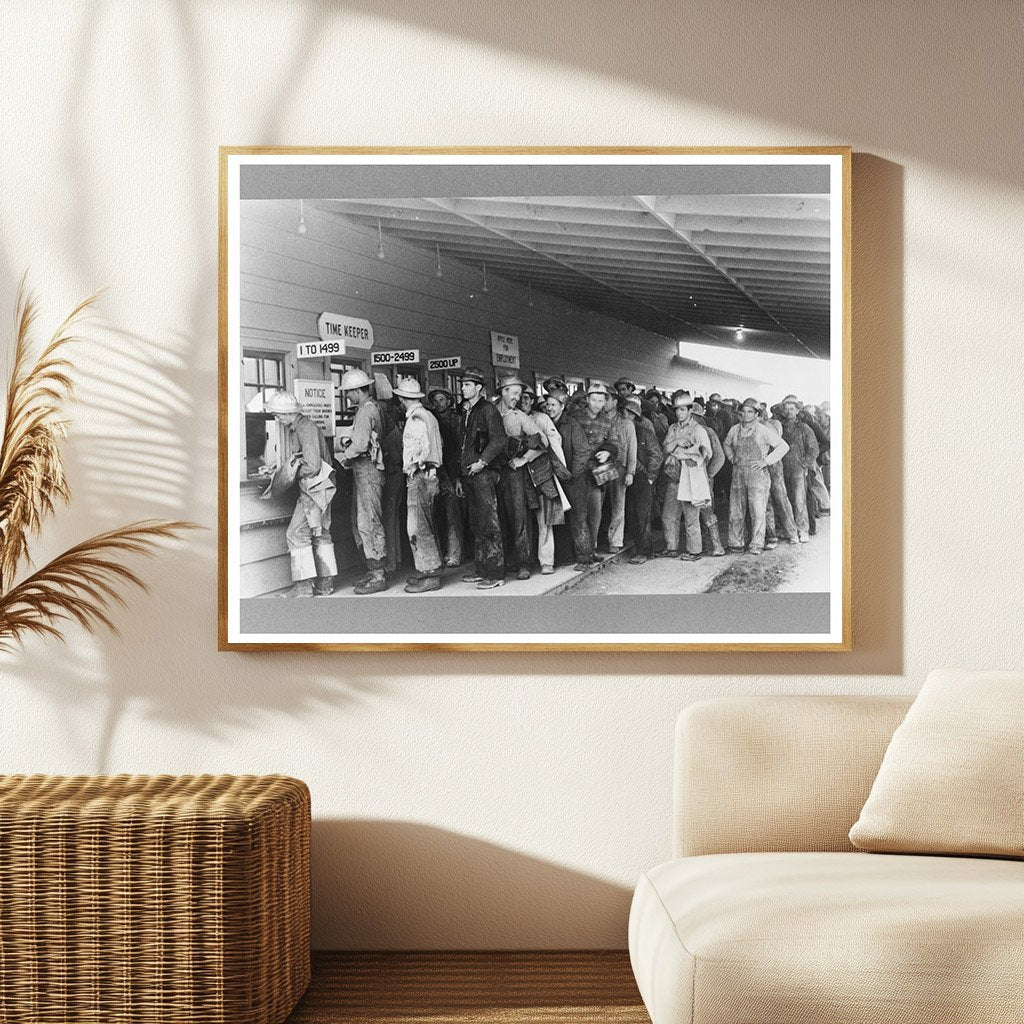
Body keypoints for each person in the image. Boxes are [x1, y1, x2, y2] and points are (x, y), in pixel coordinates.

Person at [266, 390, 337, 597]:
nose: (276, 419)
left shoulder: (305, 428)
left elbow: (313, 466)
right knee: (321, 533)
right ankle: (325, 584)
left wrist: (289, 472)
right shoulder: (302, 427)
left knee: (295, 534)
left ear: (287, 413)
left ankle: (304, 587)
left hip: (314, 489)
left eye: (278, 415)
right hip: (321, 489)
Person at [336, 369, 388, 595]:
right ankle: (373, 567)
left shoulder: (366, 412)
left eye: (349, 392)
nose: (347, 396)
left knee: (370, 521)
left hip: (367, 469)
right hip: (365, 469)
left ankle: (379, 575)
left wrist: (343, 452)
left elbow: (360, 445)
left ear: (359, 390)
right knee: (364, 521)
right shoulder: (372, 408)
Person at [458, 367, 508, 589]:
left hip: (483, 474)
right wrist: (459, 476)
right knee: (477, 523)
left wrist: (482, 462)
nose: (463, 388)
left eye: (467, 385)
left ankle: (495, 573)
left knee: (489, 522)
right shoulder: (465, 410)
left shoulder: (488, 410)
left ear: (479, 388)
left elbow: (499, 440)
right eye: (462, 384)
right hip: (468, 475)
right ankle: (482, 569)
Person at [394, 378, 445, 593]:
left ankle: (430, 573)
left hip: (421, 474)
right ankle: (428, 569)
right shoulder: (429, 415)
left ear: (402, 398)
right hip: (431, 475)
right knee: (425, 522)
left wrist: (415, 465)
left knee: (417, 526)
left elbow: (422, 447)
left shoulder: (415, 418)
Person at [723, 397, 789, 554]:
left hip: (757, 475)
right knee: (736, 510)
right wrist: (731, 457)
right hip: (738, 473)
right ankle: (736, 543)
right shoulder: (734, 430)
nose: (746, 415)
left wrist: (766, 461)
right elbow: (726, 444)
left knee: (758, 510)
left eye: (750, 412)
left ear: (756, 414)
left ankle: (756, 544)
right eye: (743, 411)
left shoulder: (763, 430)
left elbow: (783, 446)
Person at [495, 374, 545, 580]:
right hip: (492, 472)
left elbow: (541, 442)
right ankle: (502, 562)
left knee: (519, 517)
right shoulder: (489, 412)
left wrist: (524, 459)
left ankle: (523, 563)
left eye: (519, 394)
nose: (517, 398)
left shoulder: (519, 416)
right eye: (514, 393)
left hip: (513, 473)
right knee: (496, 518)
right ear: (503, 392)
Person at [544, 391, 595, 570]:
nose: (549, 408)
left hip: (575, 480)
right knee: (560, 518)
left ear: (562, 406)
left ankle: (584, 559)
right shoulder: (546, 423)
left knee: (578, 519)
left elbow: (583, 451)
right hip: (556, 479)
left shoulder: (571, 424)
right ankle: (566, 556)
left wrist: (572, 474)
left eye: (553, 405)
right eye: (548, 404)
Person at [660, 392, 713, 561]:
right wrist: (675, 443)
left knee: (691, 516)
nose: (679, 413)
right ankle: (671, 548)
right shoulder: (673, 428)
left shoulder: (698, 429)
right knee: (669, 515)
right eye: (677, 410)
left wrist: (684, 453)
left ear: (690, 410)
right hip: (674, 476)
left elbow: (706, 452)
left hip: (691, 476)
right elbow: (665, 449)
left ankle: (694, 551)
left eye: (682, 409)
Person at [577, 382, 620, 550]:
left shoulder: (608, 421)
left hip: (600, 470)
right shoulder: (575, 417)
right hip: (578, 468)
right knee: (579, 511)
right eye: (594, 400)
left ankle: (593, 546)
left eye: (601, 401)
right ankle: (580, 549)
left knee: (596, 510)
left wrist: (608, 452)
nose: (597, 404)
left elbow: (615, 442)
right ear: (587, 399)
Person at [622, 395, 663, 564]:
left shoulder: (645, 433)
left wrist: (651, 477)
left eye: (627, 413)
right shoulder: (621, 432)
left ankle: (644, 551)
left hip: (642, 478)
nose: (625, 416)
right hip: (627, 478)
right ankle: (643, 549)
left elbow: (657, 455)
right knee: (632, 515)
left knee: (642, 516)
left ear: (634, 416)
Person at [428, 387, 464, 568]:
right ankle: (442, 553)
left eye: (442, 400)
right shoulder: (431, 419)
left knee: (453, 514)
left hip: (452, 471)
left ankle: (455, 553)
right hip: (437, 470)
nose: (438, 403)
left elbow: (460, 450)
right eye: (435, 400)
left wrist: (457, 477)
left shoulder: (458, 421)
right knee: (438, 514)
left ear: (449, 401)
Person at [778, 394, 819, 543]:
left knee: (799, 500)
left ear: (797, 410)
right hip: (782, 468)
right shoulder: (779, 427)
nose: (789, 412)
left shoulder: (804, 428)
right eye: (786, 409)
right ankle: (790, 530)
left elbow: (814, 449)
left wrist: (803, 463)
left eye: (791, 409)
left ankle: (803, 530)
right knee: (784, 500)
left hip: (798, 469)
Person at [691, 399, 726, 556]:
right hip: (688, 479)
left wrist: (708, 475)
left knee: (706, 512)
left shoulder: (708, 432)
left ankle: (716, 546)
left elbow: (719, 457)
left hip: (703, 479)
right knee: (693, 514)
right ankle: (702, 546)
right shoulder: (682, 431)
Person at [606, 393, 637, 554]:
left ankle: (615, 540)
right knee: (601, 504)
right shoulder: (600, 421)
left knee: (618, 505)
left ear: (615, 402)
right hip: (603, 467)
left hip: (619, 467)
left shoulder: (626, 424)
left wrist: (630, 472)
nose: (604, 402)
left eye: (607, 399)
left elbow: (633, 449)